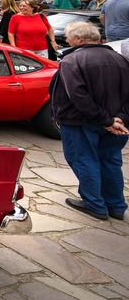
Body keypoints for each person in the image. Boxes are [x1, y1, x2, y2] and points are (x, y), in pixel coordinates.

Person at [49, 21, 129, 220]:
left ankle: (94, 204)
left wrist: (108, 120)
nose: (66, 40)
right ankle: (116, 205)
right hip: (113, 122)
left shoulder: (72, 60)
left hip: (83, 122)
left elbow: (78, 96)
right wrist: (118, 118)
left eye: (68, 37)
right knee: (110, 161)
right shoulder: (120, 58)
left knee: (85, 160)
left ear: (78, 39)